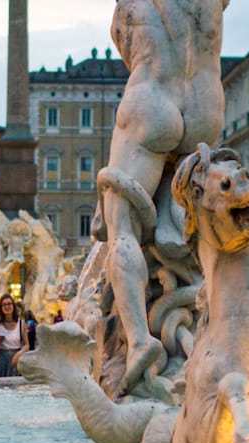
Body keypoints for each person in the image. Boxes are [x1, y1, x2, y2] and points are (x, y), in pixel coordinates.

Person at [100, 0, 229, 396]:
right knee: (203, 231)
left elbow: (122, 39)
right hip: (206, 108)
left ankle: (140, 339)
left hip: (152, 98)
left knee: (121, 228)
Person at [0, 294, 27, 378]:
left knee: (15, 388)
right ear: (1, 307)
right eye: (4, 304)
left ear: (13, 306)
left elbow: (27, 345)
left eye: (9, 304)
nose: (7, 307)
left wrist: (20, 353)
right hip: (1, 359)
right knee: (0, 389)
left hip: (16, 358)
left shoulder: (21, 323)